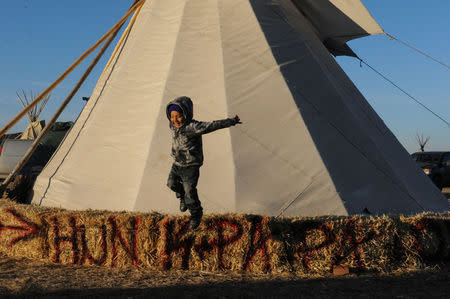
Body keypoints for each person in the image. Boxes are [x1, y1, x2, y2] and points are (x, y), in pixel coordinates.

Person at [166, 96, 241, 229]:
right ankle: (181, 196)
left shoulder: (193, 127)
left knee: (190, 192)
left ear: (186, 114)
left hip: (190, 166)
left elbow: (211, 125)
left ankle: (196, 214)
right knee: (171, 184)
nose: (175, 120)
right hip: (177, 164)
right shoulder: (172, 125)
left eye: (178, 116)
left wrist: (231, 121)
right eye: (172, 116)